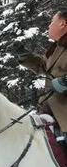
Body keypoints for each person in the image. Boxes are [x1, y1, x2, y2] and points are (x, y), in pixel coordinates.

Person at [18, 9, 67, 141]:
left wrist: (64, 81)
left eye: (52, 22)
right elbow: (43, 66)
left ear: (63, 24)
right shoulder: (57, 48)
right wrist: (24, 56)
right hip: (48, 114)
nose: (49, 25)